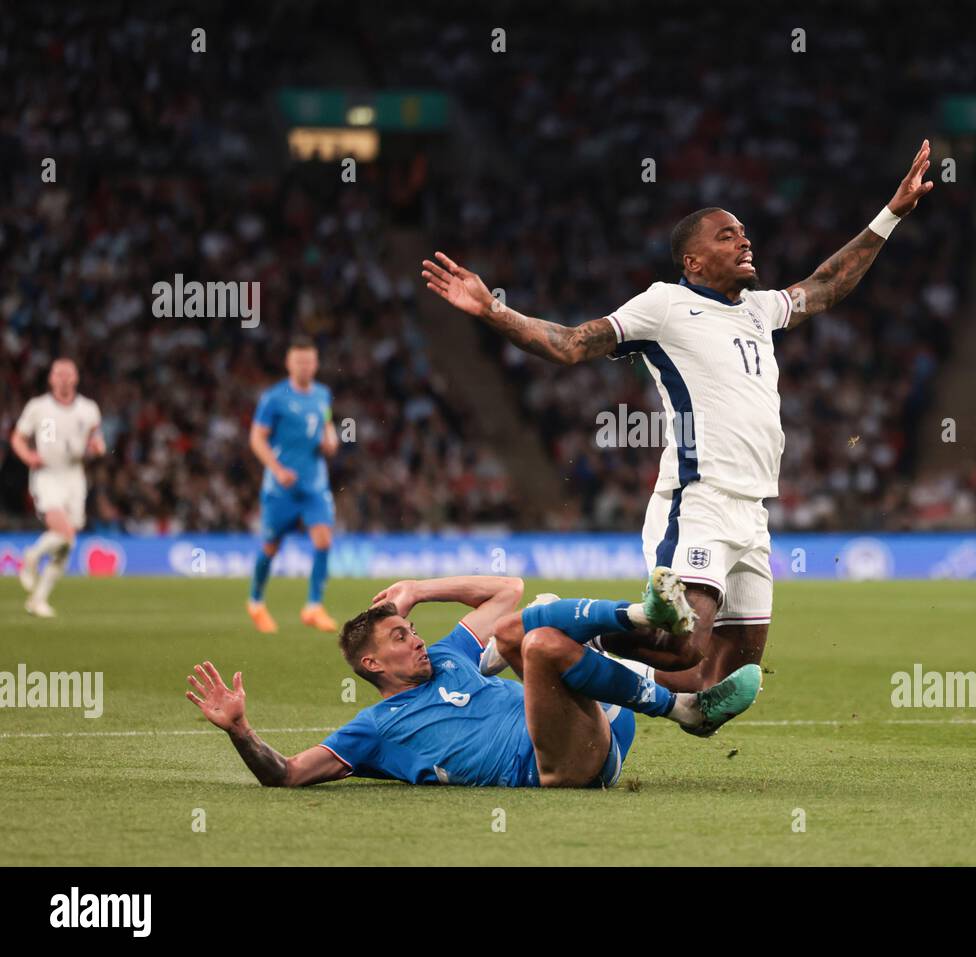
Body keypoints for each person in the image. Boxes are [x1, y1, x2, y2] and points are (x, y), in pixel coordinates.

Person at [420, 141, 935, 690]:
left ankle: (576, 647)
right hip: (699, 500)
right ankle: (545, 620)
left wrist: (891, 215)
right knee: (682, 641)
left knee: (722, 681)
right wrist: (493, 309)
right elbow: (571, 344)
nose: (744, 240)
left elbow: (828, 285)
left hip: (752, 509)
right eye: (727, 234)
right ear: (693, 261)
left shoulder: (760, 309)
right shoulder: (665, 305)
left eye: (743, 232)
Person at [186, 569, 762, 788]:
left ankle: (640, 623)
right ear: (371, 666)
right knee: (534, 641)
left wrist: (418, 588)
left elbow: (506, 589)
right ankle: (679, 699)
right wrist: (240, 731)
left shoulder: (444, 656)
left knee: (522, 628)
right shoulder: (374, 729)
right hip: (559, 765)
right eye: (398, 637)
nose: (413, 636)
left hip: (601, 722)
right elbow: (286, 775)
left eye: (409, 628)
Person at [246, 337, 339, 634]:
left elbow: (327, 428)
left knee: (323, 540)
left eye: (309, 361)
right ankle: (256, 602)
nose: (304, 366)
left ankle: (313, 606)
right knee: (271, 547)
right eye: (299, 361)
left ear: (316, 363)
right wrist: (277, 468)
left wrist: (331, 442)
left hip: (314, 484)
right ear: (289, 363)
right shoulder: (274, 398)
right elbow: (257, 438)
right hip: (280, 487)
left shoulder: (323, 395)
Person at [10, 358, 105, 618]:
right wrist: (28, 456)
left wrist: (97, 448)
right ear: (51, 379)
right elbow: (17, 437)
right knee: (63, 531)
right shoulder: (38, 407)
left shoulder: (88, 409)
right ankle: (31, 556)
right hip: (47, 475)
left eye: (68, 373)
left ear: (75, 378)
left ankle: (38, 600)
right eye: (58, 373)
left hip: (74, 476)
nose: (63, 377)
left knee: (67, 543)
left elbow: (96, 440)